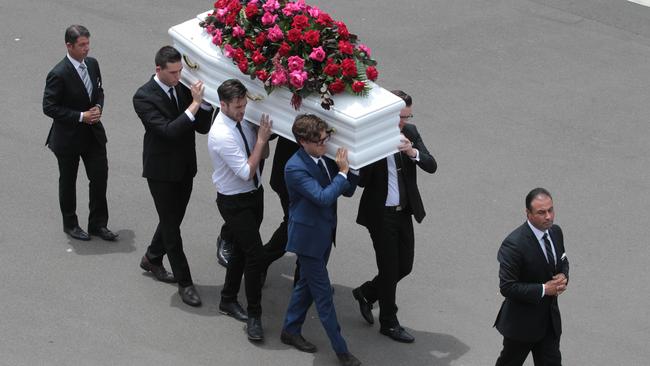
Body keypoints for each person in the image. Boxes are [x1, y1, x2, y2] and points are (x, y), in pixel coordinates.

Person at [351, 90, 436, 343]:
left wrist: (412, 152)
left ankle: (367, 292)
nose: (404, 122)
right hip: (380, 215)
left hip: (403, 212)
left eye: (407, 116)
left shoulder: (410, 133)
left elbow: (431, 165)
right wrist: (371, 153)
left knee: (404, 266)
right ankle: (389, 322)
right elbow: (362, 181)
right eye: (400, 116)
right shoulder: (370, 137)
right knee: (389, 268)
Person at [132, 45, 213, 307]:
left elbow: (200, 128)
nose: (178, 77)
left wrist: (206, 105)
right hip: (161, 172)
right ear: (159, 69)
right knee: (171, 227)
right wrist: (195, 104)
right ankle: (185, 282)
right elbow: (167, 131)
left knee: (173, 218)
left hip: (185, 167)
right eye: (173, 72)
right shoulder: (143, 97)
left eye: (180, 71)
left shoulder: (182, 87)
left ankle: (152, 257)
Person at [280, 114, 361, 366]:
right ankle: (342, 351)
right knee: (323, 295)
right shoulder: (295, 167)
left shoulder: (323, 158)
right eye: (319, 141)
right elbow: (324, 197)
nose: (325, 144)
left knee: (305, 285)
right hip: (308, 240)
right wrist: (343, 173)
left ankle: (290, 330)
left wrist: (353, 169)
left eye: (326, 138)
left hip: (323, 233)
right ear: (303, 142)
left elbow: (346, 190)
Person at [207, 79, 272, 342]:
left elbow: (263, 155)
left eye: (244, 105)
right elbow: (246, 172)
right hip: (234, 201)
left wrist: (261, 139)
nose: (242, 111)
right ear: (222, 105)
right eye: (237, 107)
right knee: (255, 256)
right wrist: (261, 139)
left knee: (242, 253)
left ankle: (228, 299)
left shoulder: (243, 121)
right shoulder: (221, 133)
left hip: (254, 196)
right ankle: (255, 316)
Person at [43, 25, 117, 242]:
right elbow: (49, 107)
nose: (86, 49)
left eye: (87, 44)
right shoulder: (58, 73)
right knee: (68, 181)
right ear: (69, 46)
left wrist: (98, 108)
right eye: (81, 45)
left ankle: (98, 224)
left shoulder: (92, 65)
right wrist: (80, 116)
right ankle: (71, 224)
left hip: (93, 135)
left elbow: (99, 91)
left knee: (99, 178)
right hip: (68, 138)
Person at [494, 188, 570, 366]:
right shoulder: (514, 245)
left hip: (549, 324)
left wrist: (563, 276)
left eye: (550, 210)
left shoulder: (555, 232)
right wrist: (545, 289)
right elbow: (507, 287)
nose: (549, 216)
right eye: (541, 212)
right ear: (528, 213)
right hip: (522, 326)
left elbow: (563, 260)